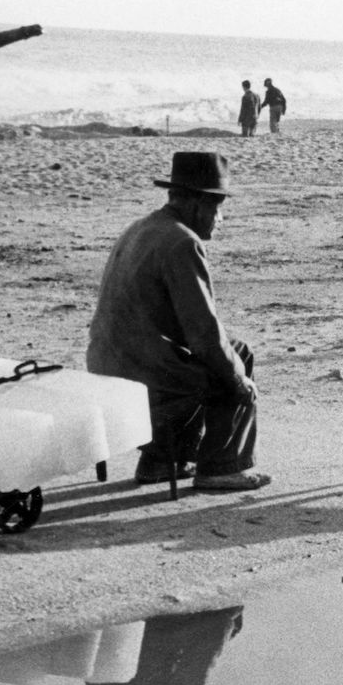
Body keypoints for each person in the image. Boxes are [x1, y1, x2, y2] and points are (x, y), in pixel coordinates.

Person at [86, 152, 271, 491]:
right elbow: (204, 335)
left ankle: (162, 461)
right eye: (217, 208)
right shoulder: (183, 242)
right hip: (143, 371)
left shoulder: (142, 227)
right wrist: (239, 380)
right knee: (233, 363)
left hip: (106, 361)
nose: (220, 219)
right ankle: (221, 467)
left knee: (227, 353)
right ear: (198, 203)